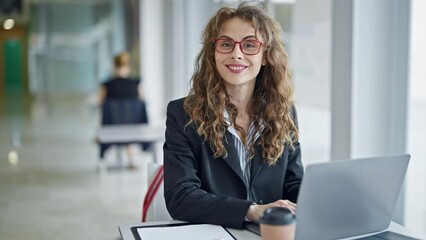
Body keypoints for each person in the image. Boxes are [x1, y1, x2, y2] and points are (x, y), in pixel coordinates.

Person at [163, 0, 304, 229]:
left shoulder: (283, 113)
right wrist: (252, 211)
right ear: (213, 52)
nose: (237, 54)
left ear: (266, 56)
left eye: (249, 45)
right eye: (226, 44)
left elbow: (294, 184)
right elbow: (180, 196)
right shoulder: (183, 114)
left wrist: (319, 202)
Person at [98, 51, 147, 169]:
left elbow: (101, 104)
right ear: (128, 66)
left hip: (112, 126)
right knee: (127, 119)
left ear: (114, 66)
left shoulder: (106, 85)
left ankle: (103, 159)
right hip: (133, 127)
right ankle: (132, 158)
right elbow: (141, 103)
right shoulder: (136, 84)